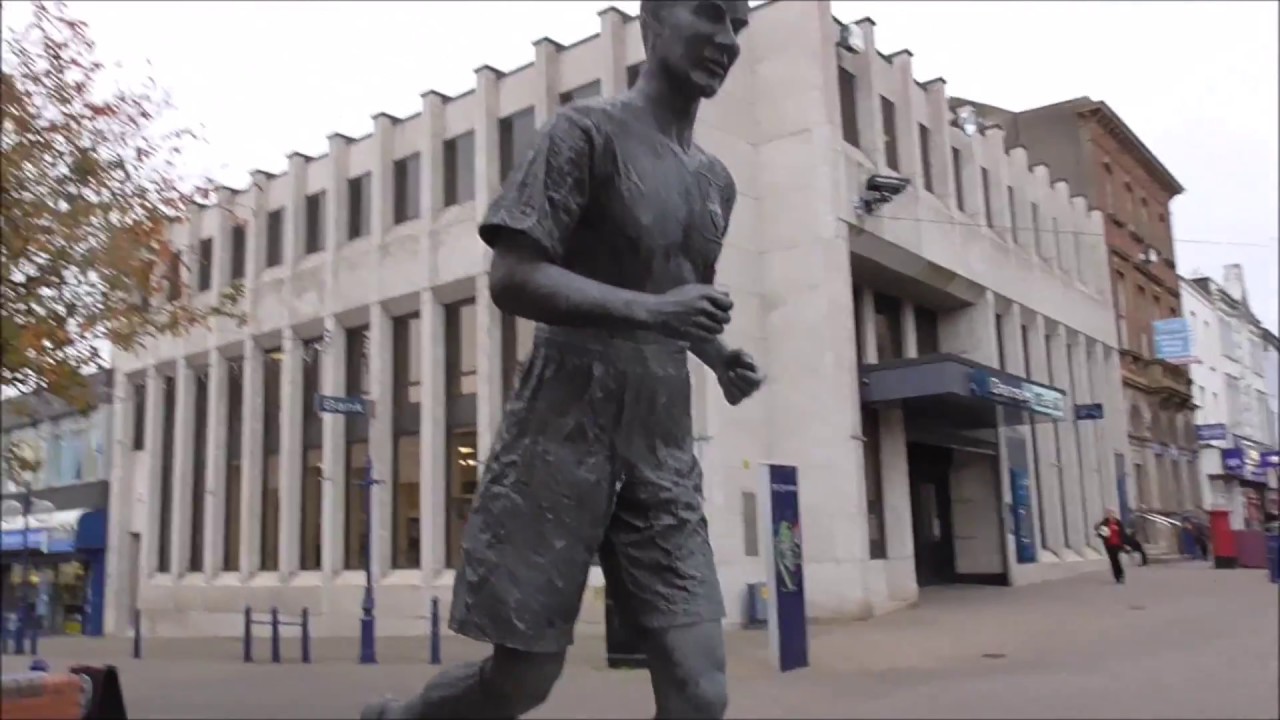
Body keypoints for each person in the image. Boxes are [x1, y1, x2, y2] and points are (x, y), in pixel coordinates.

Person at [362, 2, 757, 718]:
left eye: (739, 24)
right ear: (654, 22)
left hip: (660, 441)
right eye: (709, 15)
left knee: (701, 690)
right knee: (521, 681)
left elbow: (672, 296)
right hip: (561, 426)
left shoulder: (715, 182)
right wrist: (656, 314)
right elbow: (513, 277)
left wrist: (717, 353)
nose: (727, 40)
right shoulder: (584, 133)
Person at [1095, 509, 1128, 584]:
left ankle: (1121, 575)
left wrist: (1124, 543)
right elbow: (1100, 532)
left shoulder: (1118, 522)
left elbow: (1122, 533)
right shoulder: (1104, 523)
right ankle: (1117, 576)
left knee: (1117, 559)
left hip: (1117, 544)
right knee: (1113, 560)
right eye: (1109, 514)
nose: (1110, 515)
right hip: (1109, 544)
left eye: (1112, 513)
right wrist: (1100, 534)